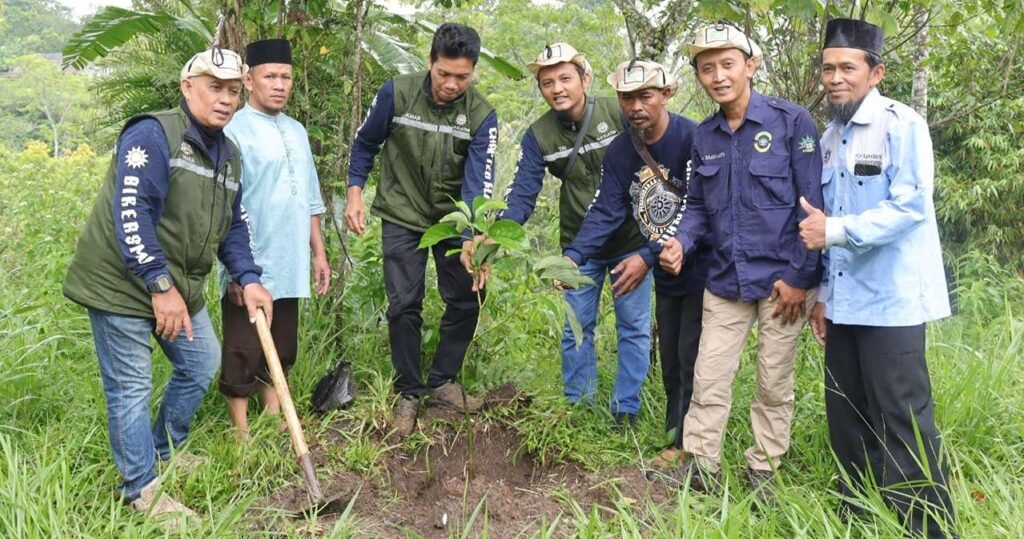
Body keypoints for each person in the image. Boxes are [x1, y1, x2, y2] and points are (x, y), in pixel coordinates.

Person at [62, 47, 273, 528]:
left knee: (201, 365)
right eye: (214, 87)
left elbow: (233, 225)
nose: (225, 99)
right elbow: (131, 214)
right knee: (131, 387)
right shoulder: (153, 135)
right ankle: (139, 488)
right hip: (121, 282)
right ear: (187, 87)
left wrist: (249, 277)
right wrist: (159, 285)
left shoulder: (228, 155)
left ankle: (163, 450)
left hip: (177, 284)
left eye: (233, 90)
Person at [799, 18, 956, 537]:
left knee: (903, 418)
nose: (835, 78)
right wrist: (821, 294)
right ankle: (859, 517)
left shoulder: (901, 124)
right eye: (828, 68)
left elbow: (911, 206)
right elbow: (825, 224)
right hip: (843, 303)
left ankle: (927, 527)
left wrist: (836, 230)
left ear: (875, 71)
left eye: (847, 67)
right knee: (847, 417)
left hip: (891, 302)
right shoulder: (828, 137)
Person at [655, 23, 823, 503]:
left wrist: (799, 277)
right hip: (725, 280)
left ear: (750, 66)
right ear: (698, 77)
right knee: (708, 377)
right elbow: (697, 208)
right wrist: (680, 243)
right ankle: (701, 465)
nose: (718, 76)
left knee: (773, 382)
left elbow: (811, 208)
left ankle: (763, 471)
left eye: (727, 64)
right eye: (707, 68)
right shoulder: (703, 136)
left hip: (781, 284)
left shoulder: (793, 122)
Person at [345, 23, 498, 437]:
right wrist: (355, 192)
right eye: (443, 74)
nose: (451, 84)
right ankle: (408, 391)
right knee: (403, 303)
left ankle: (442, 381)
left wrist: (471, 238)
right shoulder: (397, 92)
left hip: (453, 219)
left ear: (474, 71)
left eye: (462, 77)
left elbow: (479, 183)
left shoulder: (482, 115)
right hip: (402, 211)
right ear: (430, 63)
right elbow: (364, 144)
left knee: (470, 294)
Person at [495, 43, 651, 426]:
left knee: (633, 328)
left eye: (565, 78)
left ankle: (625, 410)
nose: (557, 89)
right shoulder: (539, 136)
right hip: (578, 249)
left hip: (631, 243)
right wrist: (496, 235)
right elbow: (522, 194)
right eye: (547, 82)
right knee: (576, 327)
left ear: (585, 78)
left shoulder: (617, 111)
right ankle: (579, 408)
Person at [563, 59, 709, 449]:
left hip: (699, 263)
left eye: (645, 95)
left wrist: (647, 254)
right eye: (627, 97)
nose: (635, 106)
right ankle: (674, 440)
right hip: (664, 265)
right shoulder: (621, 150)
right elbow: (607, 208)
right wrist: (575, 255)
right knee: (673, 359)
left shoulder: (692, 138)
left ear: (666, 95)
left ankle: (690, 445)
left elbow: (697, 206)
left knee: (692, 355)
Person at [219, 38, 330, 440]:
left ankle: (273, 414)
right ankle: (241, 431)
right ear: (249, 81)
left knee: (282, 342)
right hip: (251, 260)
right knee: (243, 344)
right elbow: (226, 203)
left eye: (285, 77)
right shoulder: (233, 130)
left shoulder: (297, 131)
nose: (279, 84)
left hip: (290, 256)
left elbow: (311, 198)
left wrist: (318, 252)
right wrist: (235, 270)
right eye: (270, 76)